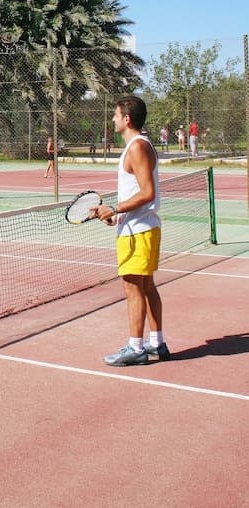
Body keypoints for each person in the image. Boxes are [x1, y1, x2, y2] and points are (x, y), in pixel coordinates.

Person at [93, 95, 170, 366]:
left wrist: (114, 209)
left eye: (115, 115)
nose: (112, 119)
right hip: (138, 227)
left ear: (127, 119)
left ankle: (136, 348)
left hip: (139, 232)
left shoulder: (137, 147)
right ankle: (157, 343)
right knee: (146, 286)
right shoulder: (138, 146)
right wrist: (115, 217)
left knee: (133, 287)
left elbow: (147, 193)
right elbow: (139, 194)